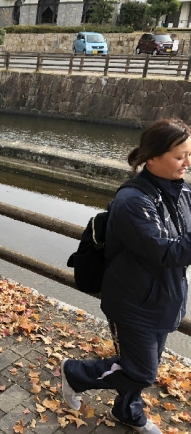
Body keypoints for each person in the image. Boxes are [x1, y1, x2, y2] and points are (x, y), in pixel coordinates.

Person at [60, 118, 191, 434]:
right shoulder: (133, 201)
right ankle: (74, 373)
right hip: (132, 303)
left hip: (165, 298)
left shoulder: (184, 189)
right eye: (180, 156)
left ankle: (127, 412)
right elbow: (166, 252)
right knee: (142, 371)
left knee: (138, 366)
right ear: (152, 157)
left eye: (190, 153)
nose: (187, 162)